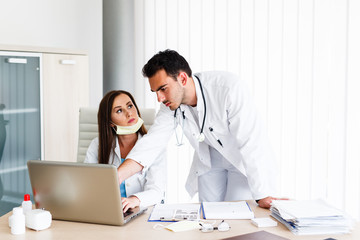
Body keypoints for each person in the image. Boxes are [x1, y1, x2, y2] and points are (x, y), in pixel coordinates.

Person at [118, 50, 283, 209]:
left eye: (163, 89)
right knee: (208, 217)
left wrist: (263, 194)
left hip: (240, 159)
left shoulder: (228, 88)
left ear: (182, 78)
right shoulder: (169, 104)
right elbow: (152, 142)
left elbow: (251, 142)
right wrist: (115, 178)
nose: (160, 98)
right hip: (209, 158)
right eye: (155, 92)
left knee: (237, 215)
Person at [84, 90, 166, 212]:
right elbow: (87, 184)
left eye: (130, 106)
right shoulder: (97, 145)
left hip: (143, 213)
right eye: (119, 110)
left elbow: (157, 191)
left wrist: (135, 199)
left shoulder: (153, 146)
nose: (129, 113)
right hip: (106, 211)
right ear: (110, 123)